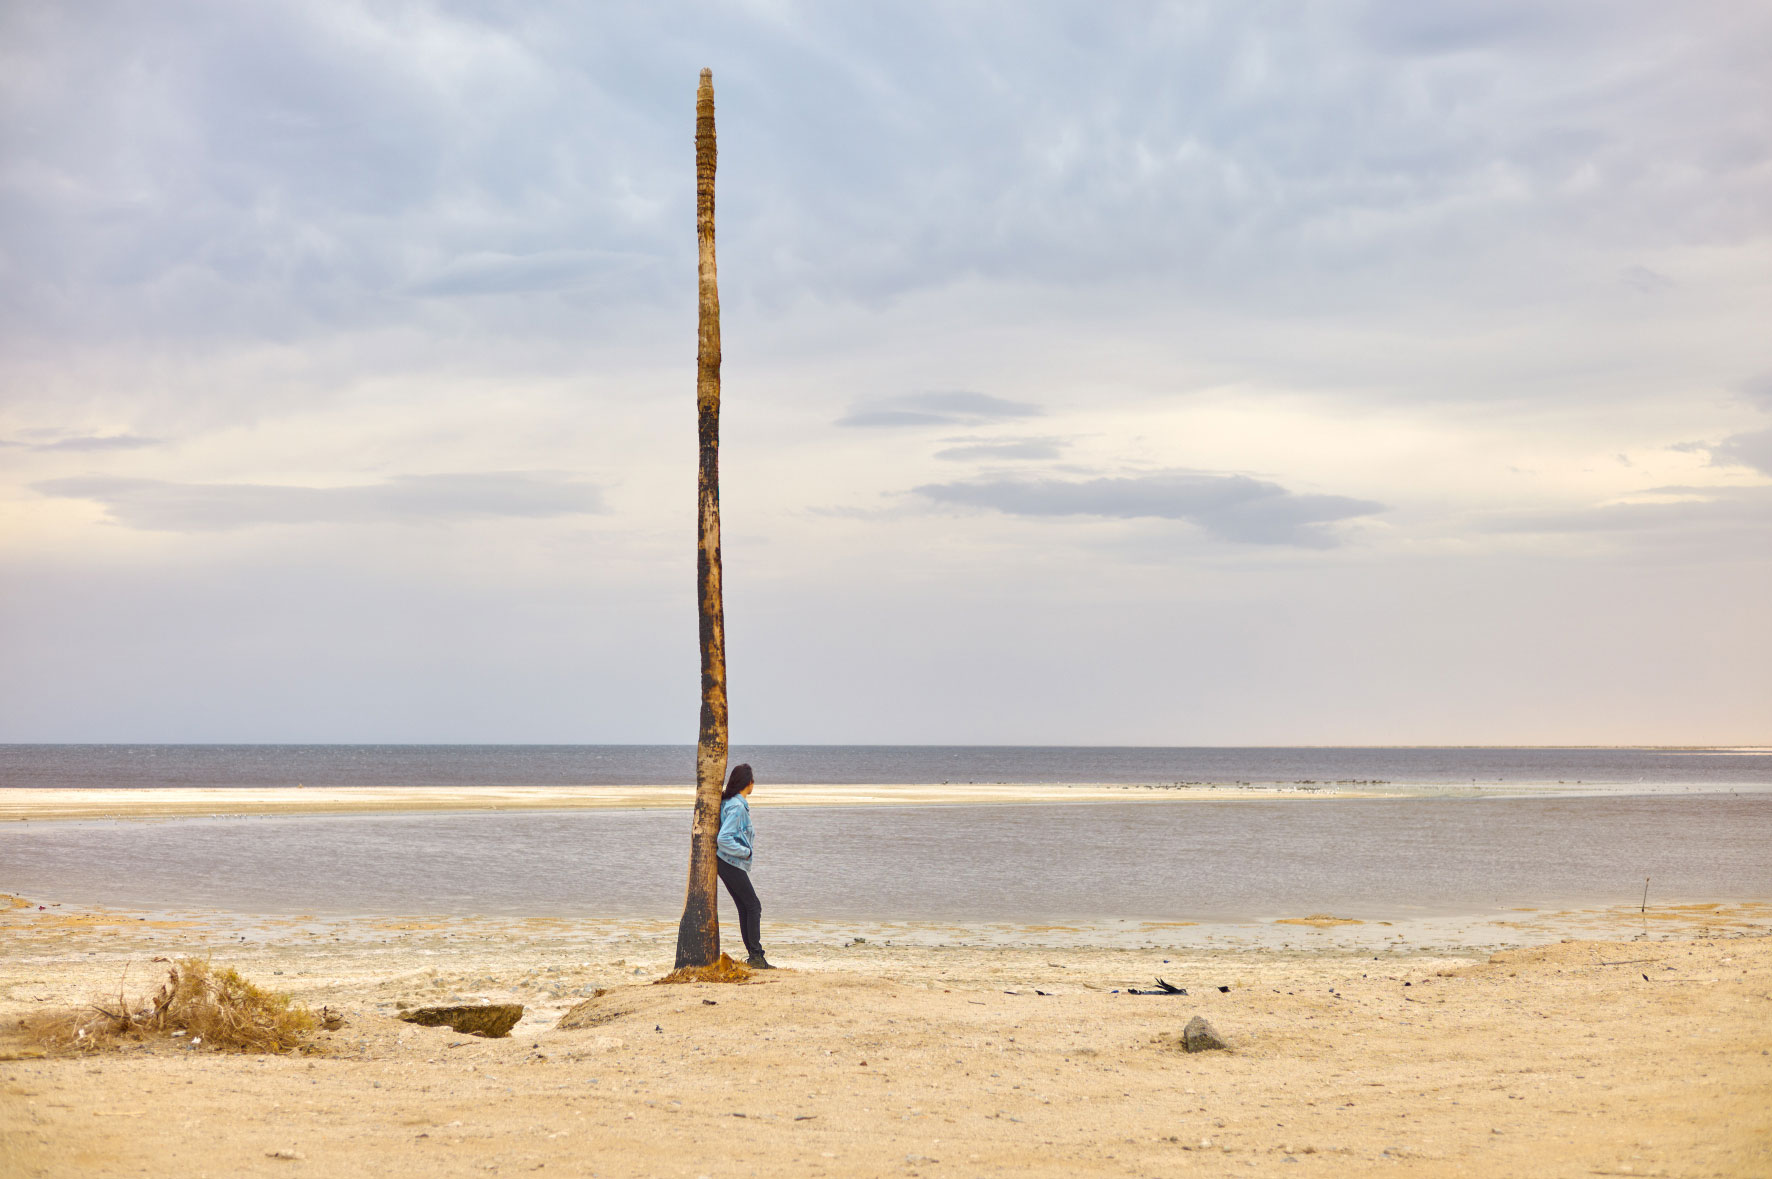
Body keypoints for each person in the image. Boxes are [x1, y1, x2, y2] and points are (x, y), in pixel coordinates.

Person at [716, 763, 774, 969]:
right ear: (748, 783)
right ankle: (756, 956)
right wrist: (745, 852)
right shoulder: (737, 807)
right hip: (729, 862)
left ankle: (754, 955)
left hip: (726, 863)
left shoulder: (730, 803)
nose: (753, 784)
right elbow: (723, 838)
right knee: (753, 906)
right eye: (753, 780)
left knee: (745, 907)